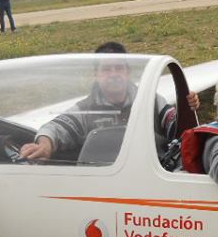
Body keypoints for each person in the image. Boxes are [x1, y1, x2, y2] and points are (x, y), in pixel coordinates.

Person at [18, 42, 199, 162]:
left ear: (127, 72)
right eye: (106, 69)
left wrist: (188, 107)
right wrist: (44, 144)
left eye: (119, 68)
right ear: (96, 75)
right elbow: (55, 128)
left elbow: (174, 123)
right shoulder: (85, 109)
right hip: (104, 183)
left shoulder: (150, 101)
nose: (113, 74)